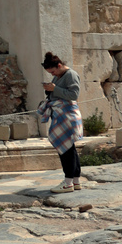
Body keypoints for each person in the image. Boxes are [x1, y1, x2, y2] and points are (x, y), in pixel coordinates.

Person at [36, 51, 83, 193]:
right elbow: (58, 92)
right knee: (70, 149)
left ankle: (67, 183)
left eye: (53, 71)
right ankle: (75, 181)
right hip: (61, 115)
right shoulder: (59, 76)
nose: (53, 75)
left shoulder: (71, 75)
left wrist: (55, 88)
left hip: (67, 115)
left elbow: (74, 94)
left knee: (66, 150)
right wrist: (50, 90)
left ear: (59, 65)